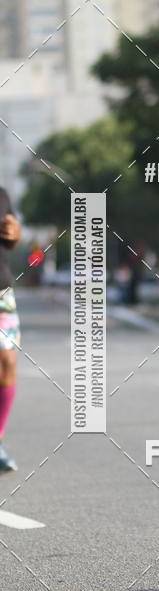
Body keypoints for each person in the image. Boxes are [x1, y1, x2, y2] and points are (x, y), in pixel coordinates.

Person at [0, 188, 21, 473]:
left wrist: (15, 233)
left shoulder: (2, 195)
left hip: (1, 291)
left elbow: (13, 237)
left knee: (7, 363)